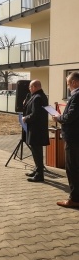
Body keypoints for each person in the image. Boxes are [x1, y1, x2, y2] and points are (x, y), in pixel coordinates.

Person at [52, 72, 79, 208]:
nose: (68, 87)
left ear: (74, 82)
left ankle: (74, 199)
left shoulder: (76, 96)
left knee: (72, 167)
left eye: (68, 84)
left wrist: (58, 118)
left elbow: (70, 116)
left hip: (73, 137)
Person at [22, 80, 49, 182]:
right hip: (37, 129)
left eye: (30, 87)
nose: (29, 89)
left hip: (36, 129)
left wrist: (25, 118)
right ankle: (37, 169)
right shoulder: (38, 96)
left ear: (34, 86)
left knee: (37, 151)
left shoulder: (38, 97)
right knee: (36, 151)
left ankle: (39, 175)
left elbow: (35, 114)